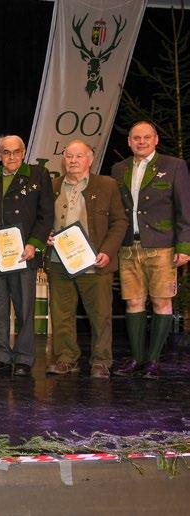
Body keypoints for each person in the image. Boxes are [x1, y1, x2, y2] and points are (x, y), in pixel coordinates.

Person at [110, 121, 190, 379]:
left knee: (161, 301)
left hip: (162, 246)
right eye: (136, 138)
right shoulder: (118, 169)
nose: (141, 141)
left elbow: (185, 209)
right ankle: (136, 358)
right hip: (128, 247)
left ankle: (153, 360)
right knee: (133, 301)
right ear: (129, 142)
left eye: (146, 137)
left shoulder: (174, 166)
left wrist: (184, 246)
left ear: (156, 139)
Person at [46, 140, 127, 378]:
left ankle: (101, 361)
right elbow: (42, 219)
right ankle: (66, 358)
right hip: (59, 262)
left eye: (79, 156)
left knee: (100, 315)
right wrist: (45, 234)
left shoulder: (107, 185)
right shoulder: (53, 185)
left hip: (94, 262)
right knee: (61, 314)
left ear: (89, 160)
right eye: (69, 156)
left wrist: (107, 251)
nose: (73, 160)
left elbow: (120, 221)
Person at [0, 135, 54, 376]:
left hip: (24, 253)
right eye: (5, 152)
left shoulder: (38, 175)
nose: (11, 157)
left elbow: (46, 215)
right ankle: (0, 354)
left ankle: (24, 357)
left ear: (23, 153)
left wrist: (34, 244)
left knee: (24, 309)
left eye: (15, 152)